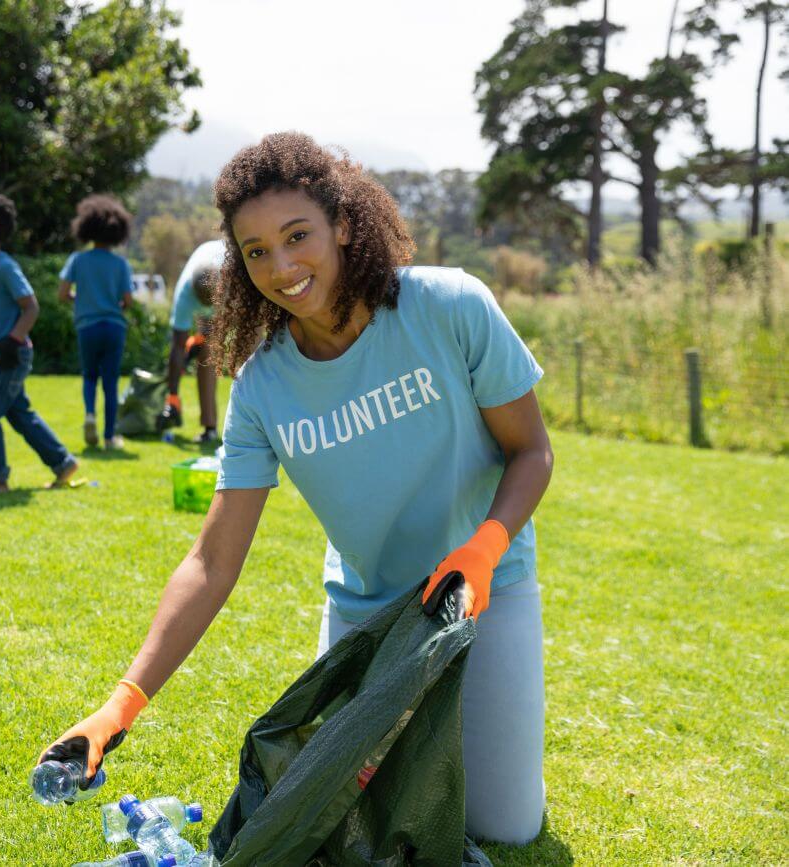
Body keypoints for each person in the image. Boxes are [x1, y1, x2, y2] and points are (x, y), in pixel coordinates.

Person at [38, 133, 554, 846]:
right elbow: (211, 562)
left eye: (297, 235)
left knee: (505, 824)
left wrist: (486, 547)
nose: (281, 267)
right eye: (255, 252)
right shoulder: (261, 388)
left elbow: (532, 452)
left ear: (343, 224)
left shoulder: (450, 305)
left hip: (483, 588)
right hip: (366, 611)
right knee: (352, 812)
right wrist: (118, 707)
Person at [0, 192, 78, 493]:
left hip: (11, 356)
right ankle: (63, 463)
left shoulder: (4, 267)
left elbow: (31, 307)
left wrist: (13, 341)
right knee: (19, 414)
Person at [58, 194, 135, 450]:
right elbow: (128, 300)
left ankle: (90, 414)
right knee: (110, 382)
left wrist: (79, 298)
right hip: (114, 327)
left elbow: (62, 293)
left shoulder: (78, 260)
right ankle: (110, 437)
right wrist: (116, 304)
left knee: (90, 376)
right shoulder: (121, 264)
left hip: (87, 326)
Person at [158, 239, 224, 444]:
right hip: (209, 288)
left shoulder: (233, 281)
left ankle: (259, 429)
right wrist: (172, 397)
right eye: (202, 304)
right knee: (206, 358)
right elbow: (177, 346)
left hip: (231, 293)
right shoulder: (184, 294)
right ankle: (210, 429)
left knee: (252, 355)